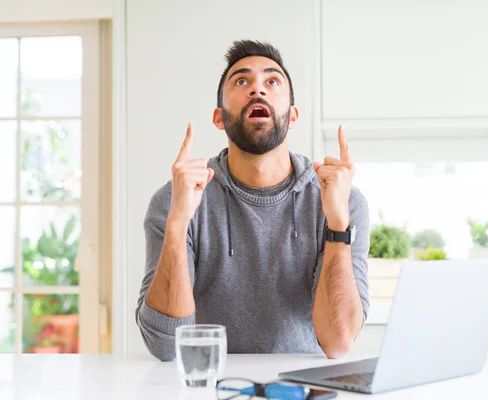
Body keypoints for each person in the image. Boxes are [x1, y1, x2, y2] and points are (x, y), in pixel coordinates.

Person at [135, 40, 370, 362]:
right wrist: (178, 225)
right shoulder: (176, 199)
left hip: (301, 387)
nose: (258, 90)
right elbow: (165, 347)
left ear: (293, 115)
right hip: (212, 385)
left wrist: (337, 224)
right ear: (219, 117)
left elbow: (338, 342)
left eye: (272, 82)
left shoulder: (342, 199)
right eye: (242, 81)